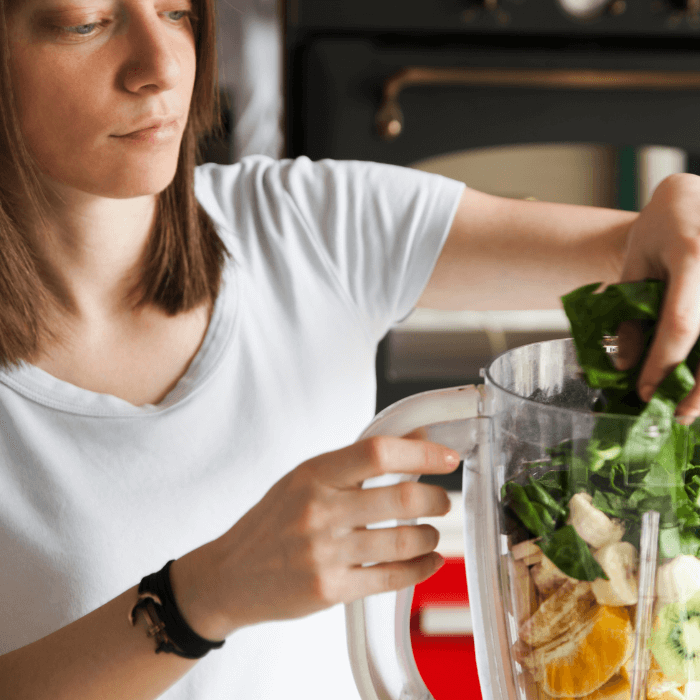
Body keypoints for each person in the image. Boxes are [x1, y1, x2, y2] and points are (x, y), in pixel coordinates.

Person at [1, 1, 700, 699]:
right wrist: (203, 597)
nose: (161, 68)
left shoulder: (309, 226)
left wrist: (677, 217)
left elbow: (630, 254)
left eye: (177, 13)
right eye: (86, 22)